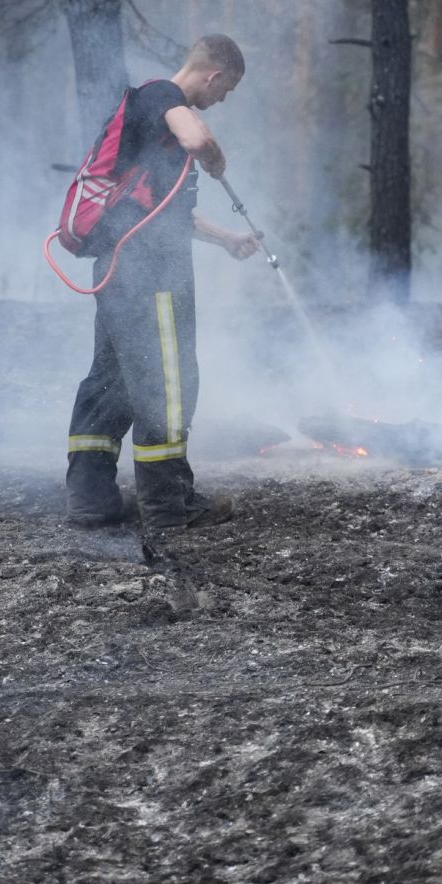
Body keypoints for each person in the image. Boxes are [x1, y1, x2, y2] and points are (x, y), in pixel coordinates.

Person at [65, 34, 260, 531]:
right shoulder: (162, 98)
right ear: (213, 75)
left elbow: (161, 213)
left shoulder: (148, 122)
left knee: (111, 378)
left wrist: (227, 239)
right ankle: (170, 505)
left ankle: (91, 498)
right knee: (168, 380)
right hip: (150, 273)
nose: (222, 100)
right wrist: (214, 157)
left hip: (120, 267)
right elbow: (199, 141)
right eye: (226, 90)